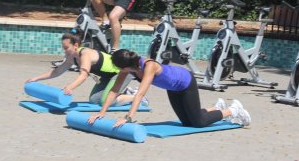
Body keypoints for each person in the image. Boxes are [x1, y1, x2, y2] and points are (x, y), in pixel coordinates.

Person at [88, 49, 251, 128]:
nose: (118, 71)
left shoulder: (149, 66)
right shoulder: (127, 69)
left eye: (119, 67)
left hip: (186, 82)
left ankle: (233, 110)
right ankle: (216, 108)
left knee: (198, 123)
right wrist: (102, 112)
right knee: (187, 122)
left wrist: (128, 117)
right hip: (173, 89)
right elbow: (114, 91)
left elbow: (140, 94)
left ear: (125, 66)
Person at [26, 30, 142, 106]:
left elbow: (83, 75)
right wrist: (36, 78)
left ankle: (137, 97)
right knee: (94, 100)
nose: (64, 50)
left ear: (76, 45)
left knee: (105, 102)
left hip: (121, 74)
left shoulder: (85, 54)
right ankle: (123, 91)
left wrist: (70, 87)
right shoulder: (73, 57)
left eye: (66, 47)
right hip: (107, 78)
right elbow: (57, 71)